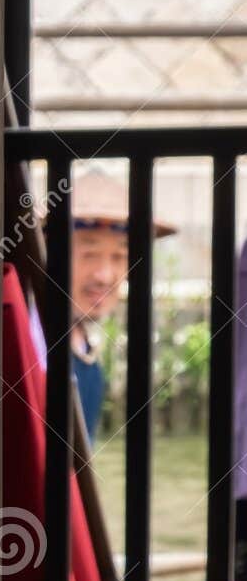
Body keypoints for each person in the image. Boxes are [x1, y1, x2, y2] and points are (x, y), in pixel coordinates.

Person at [65, 167, 172, 440]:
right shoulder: (30, 343)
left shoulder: (85, 348)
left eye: (119, 257)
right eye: (89, 254)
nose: (104, 275)